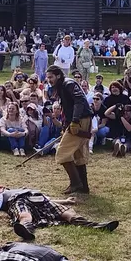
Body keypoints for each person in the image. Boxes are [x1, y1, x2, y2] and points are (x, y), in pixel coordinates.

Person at [0, 186, 118, 241]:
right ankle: (27, 231)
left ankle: (97, 226)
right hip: (20, 203)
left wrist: (66, 201)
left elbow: (48, 199)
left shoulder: (28, 189)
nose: (0, 189)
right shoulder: (4, 197)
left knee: (68, 214)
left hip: (40, 200)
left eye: (1, 188)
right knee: (25, 217)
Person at [46, 65, 92, 196]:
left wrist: (75, 120)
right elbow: (68, 108)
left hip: (80, 120)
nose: (49, 80)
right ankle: (84, 187)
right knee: (78, 155)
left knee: (62, 153)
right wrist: (66, 125)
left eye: (51, 77)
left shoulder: (68, 84)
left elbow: (79, 101)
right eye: (48, 77)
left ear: (58, 75)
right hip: (78, 119)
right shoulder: (62, 86)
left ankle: (76, 183)